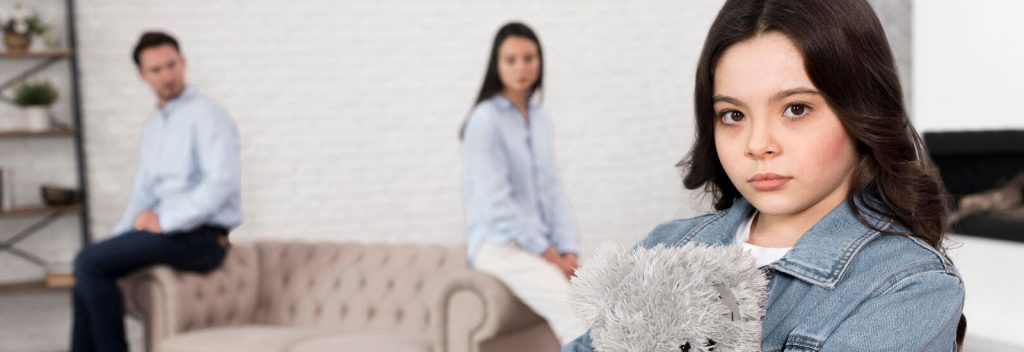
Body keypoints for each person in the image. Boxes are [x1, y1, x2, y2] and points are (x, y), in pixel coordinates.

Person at [565, 0, 965, 350]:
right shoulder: (667, 245)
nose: (757, 144)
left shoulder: (908, 284)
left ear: (861, 110)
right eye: (732, 115)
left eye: (795, 109)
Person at [71, 31, 242, 352]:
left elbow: (220, 185)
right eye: (156, 70)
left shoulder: (208, 115)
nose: (167, 76)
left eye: (171, 65)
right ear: (142, 75)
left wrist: (164, 222)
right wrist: (117, 242)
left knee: (89, 263)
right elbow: (143, 193)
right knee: (87, 266)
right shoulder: (154, 126)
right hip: (168, 236)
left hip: (202, 239)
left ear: (183, 62)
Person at [460, 22, 587, 345]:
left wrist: (569, 250)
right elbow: (497, 204)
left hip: (542, 247)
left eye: (529, 58)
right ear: (497, 65)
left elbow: (553, 192)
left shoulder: (541, 120)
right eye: (511, 60)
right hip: (499, 246)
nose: (521, 67)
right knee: (574, 312)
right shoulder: (484, 120)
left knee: (595, 300)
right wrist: (550, 255)